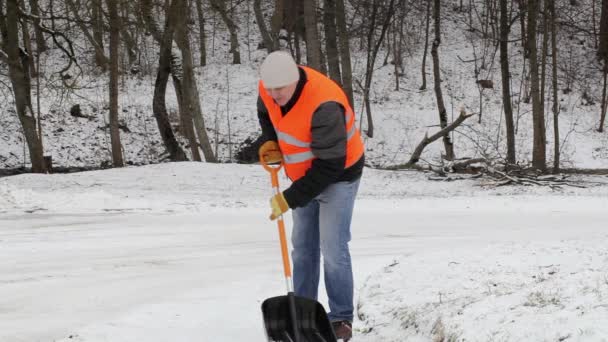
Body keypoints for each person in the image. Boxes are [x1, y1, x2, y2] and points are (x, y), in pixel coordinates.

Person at [257, 50, 365, 341]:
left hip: (339, 176)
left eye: (280, 89)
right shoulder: (269, 89)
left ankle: (341, 317)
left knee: (333, 250)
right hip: (302, 175)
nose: (274, 94)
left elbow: (329, 166)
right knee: (302, 247)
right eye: (270, 89)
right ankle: (302, 313)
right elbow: (265, 112)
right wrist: (270, 140)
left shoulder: (324, 104)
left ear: (293, 81)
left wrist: (289, 198)